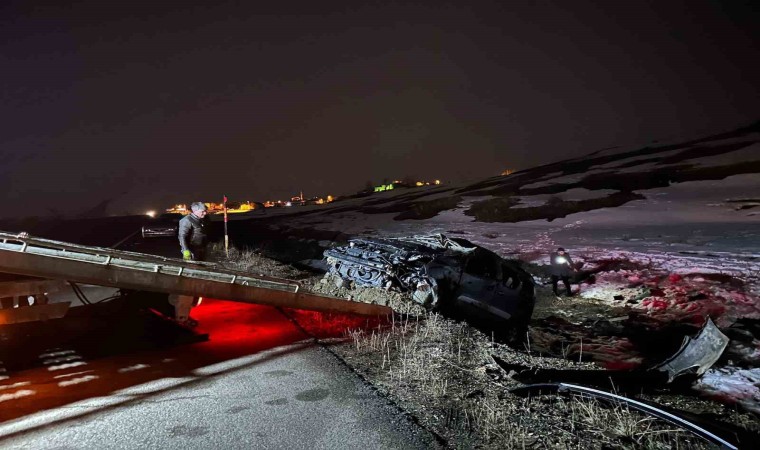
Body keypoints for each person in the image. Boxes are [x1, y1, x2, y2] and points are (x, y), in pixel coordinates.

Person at [173, 202, 209, 327]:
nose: (205, 213)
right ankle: (182, 318)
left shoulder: (201, 219)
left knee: (197, 281)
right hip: (192, 253)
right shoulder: (186, 220)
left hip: (200, 252)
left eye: (205, 211)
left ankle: (192, 305)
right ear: (195, 211)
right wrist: (185, 250)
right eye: (203, 211)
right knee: (189, 284)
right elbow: (182, 236)